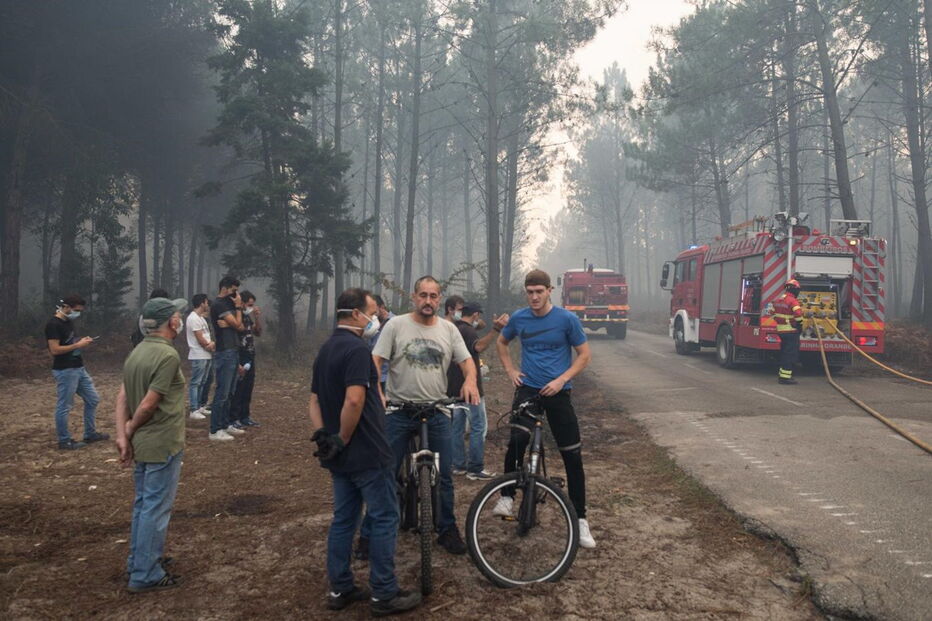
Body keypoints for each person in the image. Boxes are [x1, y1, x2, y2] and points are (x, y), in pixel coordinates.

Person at [309, 288, 422, 616]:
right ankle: (384, 593)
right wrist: (342, 437)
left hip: (338, 457)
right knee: (385, 516)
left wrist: (324, 437)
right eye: (372, 313)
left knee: (344, 519)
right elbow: (355, 399)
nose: (375, 319)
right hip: (367, 451)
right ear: (356, 315)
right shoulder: (358, 350)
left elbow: (314, 400)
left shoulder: (326, 349)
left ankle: (340, 587)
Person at [371, 276, 480, 556]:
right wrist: (376, 390)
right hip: (399, 410)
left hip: (436, 410)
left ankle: (447, 529)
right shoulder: (395, 325)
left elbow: (467, 361)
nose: (428, 301)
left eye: (433, 296)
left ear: (439, 299)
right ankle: (371, 531)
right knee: (384, 471)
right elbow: (376, 360)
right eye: (423, 295)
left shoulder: (449, 329)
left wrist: (470, 381)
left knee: (444, 476)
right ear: (414, 297)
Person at [495, 269, 596, 549]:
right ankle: (507, 496)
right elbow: (502, 342)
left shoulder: (566, 319)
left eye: (539, 291)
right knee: (517, 439)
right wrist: (510, 370)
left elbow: (584, 355)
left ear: (550, 291)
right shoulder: (519, 318)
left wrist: (562, 379)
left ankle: (580, 519)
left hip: (558, 391)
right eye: (530, 292)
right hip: (528, 389)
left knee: (572, 455)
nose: (535, 297)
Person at [114, 297, 188, 593]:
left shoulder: (137, 351)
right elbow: (148, 404)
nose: (180, 319)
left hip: (143, 444)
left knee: (144, 504)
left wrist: (122, 435)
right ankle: (145, 573)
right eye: (178, 315)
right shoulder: (168, 356)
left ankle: (140, 560)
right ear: (171, 322)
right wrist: (130, 428)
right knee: (155, 508)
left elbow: (122, 397)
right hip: (161, 443)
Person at [446, 301, 508, 480]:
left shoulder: (455, 328)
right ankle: (475, 468)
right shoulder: (468, 331)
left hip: (453, 387)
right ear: (475, 314)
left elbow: (478, 328)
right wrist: (496, 330)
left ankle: (458, 465)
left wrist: (481, 324)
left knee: (457, 428)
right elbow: (478, 347)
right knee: (478, 427)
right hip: (470, 387)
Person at [44, 294, 109, 450]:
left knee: (93, 399)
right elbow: (55, 350)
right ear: (66, 307)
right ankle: (64, 440)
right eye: (76, 310)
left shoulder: (68, 322)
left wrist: (81, 341)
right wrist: (78, 345)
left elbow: (69, 341)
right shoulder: (53, 325)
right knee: (64, 405)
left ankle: (90, 434)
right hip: (65, 370)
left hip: (79, 367)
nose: (78, 313)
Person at [208, 276, 245, 441]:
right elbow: (237, 324)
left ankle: (225, 424)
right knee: (222, 392)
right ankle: (215, 429)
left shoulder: (229, 304)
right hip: (224, 351)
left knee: (230, 392)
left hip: (234, 350)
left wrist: (232, 322)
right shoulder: (219, 304)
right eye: (234, 290)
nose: (236, 294)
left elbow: (241, 326)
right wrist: (237, 311)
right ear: (225, 288)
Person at [230, 290, 262, 428]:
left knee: (248, 386)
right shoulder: (236, 317)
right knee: (239, 388)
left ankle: (245, 416)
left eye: (253, 305)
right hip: (240, 354)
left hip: (250, 354)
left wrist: (257, 318)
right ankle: (234, 417)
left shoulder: (248, 317)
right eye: (249, 305)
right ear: (241, 303)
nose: (251, 307)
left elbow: (257, 332)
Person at [186, 294, 214, 421]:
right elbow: (200, 338)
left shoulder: (201, 318)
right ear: (202, 303)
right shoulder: (193, 318)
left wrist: (210, 345)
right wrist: (210, 345)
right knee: (196, 382)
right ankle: (193, 409)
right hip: (198, 354)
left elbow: (206, 335)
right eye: (206, 302)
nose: (207, 305)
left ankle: (200, 406)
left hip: (206, 354)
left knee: (203, 381)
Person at [770, 278, 804, 385]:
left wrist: (780, 321)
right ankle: (785, 378)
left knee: (784, 353)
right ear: (795, 289)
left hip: (781, 331)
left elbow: (772, 312)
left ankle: (782, 375)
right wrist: (799, 325)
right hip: (791, 331)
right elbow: (798, 314)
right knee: (790, 355)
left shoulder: (779, 300)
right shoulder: (792, 301)